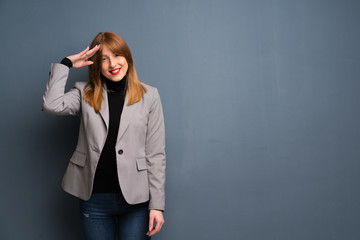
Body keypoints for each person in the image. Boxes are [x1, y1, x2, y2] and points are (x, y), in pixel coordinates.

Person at [42, 31, 166, 240]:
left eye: (117, 55)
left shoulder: (149, 95)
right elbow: (51, 105)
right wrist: (66, 64)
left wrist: (157, 205)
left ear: (127, 57)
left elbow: (155, 154)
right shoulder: (84, 92)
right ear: (96, 65)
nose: (112, 64)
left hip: (136, 200)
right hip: (94, 198)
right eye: (104, 59)